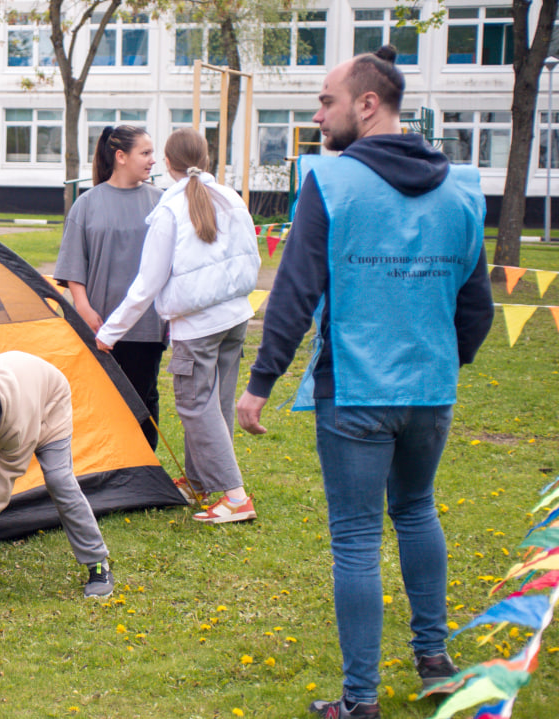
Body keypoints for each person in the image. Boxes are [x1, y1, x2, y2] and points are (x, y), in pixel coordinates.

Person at [234, 47, 494, 719]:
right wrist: (443, 358)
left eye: (327, 101)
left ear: (367, 103)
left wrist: (260, 382)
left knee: (355, 537)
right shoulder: (462, 186)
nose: (318, 114)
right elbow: (478, 303)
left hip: (355, 391)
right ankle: (434, 660)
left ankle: (361, 700)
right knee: (416, 509)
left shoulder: (331, 181)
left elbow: (294, 290)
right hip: (430, 390)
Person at [95, 128, 260, 523]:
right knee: (215, 403)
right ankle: (201, 481)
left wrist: (108, 334)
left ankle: (235, 496)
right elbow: (251, 258)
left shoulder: (170, 210)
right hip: (235, 318)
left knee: (195, 404)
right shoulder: (230, 197)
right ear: (205, 159)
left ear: (168, 163)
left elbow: (147, 284)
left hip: (198, 325)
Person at [0, 351, 115, 599]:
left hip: (48, 404)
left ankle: (98, 564)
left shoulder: (19, 427)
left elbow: (4, 482)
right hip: (7, 397)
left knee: (59, 480)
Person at [53, 125, 166, 451]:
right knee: (100, 401)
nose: (152, 160)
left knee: (142, 399)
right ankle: (106, 467)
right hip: (98, 325)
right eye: (145, 153)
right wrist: (84, 309)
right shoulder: (86, 204)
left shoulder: (161, 203)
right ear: (120, 157)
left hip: (146, 326)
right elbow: (74, 266)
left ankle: (144, 465)